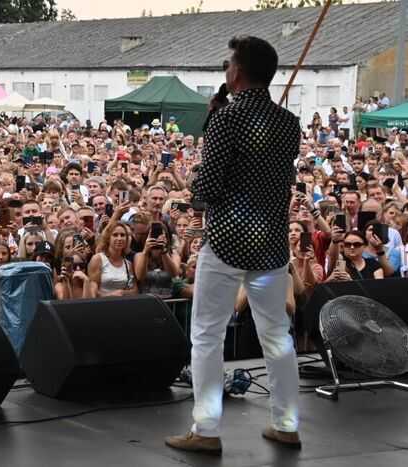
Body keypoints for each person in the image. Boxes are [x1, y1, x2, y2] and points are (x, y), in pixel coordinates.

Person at [166, 36, 303, 454]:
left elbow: (207, 186)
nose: (226, 69)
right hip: (270, 245)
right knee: (277, 335)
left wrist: (196, 184)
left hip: (226, 241)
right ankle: (286, 424)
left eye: (228, 64)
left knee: (207, 334)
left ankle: (205, 431)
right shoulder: (289, 122)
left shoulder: (227, 118)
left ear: (237, 73)